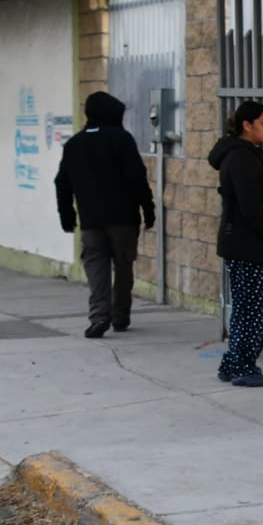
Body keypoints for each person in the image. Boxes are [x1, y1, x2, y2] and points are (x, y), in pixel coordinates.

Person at [55, 91, 155, 339]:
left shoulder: (74, 144)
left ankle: (99, 316)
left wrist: (67, 217)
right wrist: (148, 209)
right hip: (123, 220)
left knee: (96, 268)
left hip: (90, 221)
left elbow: (62, 183)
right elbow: (137, 178)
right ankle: (120, 315)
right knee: (123, 268)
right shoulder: (121, 139)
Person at [209, 101, 263, 388]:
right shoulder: (241, 157)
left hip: (245, 244)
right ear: (246, 125)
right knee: (254, 309)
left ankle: (233, 363)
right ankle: (243, 366)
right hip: (248, 245)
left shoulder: (244, 155)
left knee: (245, 307)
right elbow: (251, 206)